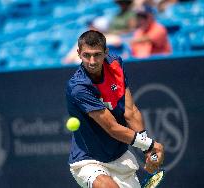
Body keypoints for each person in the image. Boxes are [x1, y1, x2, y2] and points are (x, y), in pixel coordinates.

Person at [66, 30, 164, 188]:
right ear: (78, 53)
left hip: (119, 157)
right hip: (88, 160)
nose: (92, 61)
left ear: (106, 52)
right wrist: (152, 145)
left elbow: (130, 111)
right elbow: (112, 128)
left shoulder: (116, 65)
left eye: (97, 54)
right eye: (86, 55)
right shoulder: (79, 87)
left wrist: (147, 150)